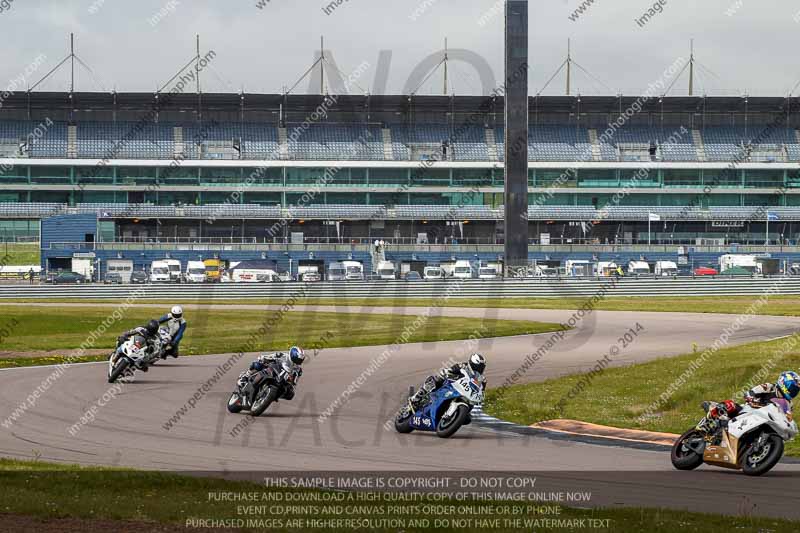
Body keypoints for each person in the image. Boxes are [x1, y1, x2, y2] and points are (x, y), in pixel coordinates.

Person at [696, 371, 800, 437]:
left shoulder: (788, 404)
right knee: (730, 405)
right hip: (748, 410)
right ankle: (706, 424)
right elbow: (750, 393)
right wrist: (753, 400)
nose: (793, 391)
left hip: (763, 421)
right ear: (784, 382)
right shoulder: (769, 387)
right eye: (792, 388)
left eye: (796, 390)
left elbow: (787, 417)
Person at [407, 353, 487, 411]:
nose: (479, 369)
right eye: (478, 367)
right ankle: (417, 397)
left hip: (465, 394)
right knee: (435, 380)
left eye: (481, 367)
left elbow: (481, 390)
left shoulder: (481, 379)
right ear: (472, 364)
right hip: (453, 385)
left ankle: (457, 414)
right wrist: (447, 372)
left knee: (468, 417)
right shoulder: (463, 366)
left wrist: (481, 396)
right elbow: (451, 370)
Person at [239, 346, 305, 405]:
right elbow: (270, 356)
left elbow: (294, 383)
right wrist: (264, 358)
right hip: (273, 370)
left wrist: (290, 383)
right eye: (298, 359)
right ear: (292, 355)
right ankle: (245, 376)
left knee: (290, 394)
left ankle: (271, 396)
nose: (299, 361)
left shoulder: (298, 370)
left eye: (300, 360)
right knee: (257, 364)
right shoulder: (282, 355)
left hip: (281, 380)